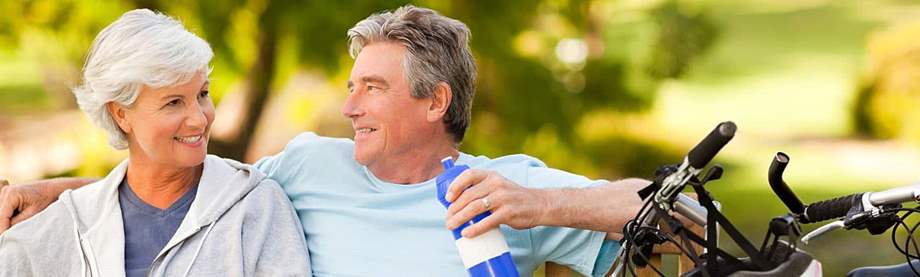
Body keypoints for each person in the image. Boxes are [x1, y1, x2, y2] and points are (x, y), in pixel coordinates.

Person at [0, 5, 646, 276]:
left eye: (371, 89)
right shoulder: (308, 167)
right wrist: (51, 191)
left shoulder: (508, 187)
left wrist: (543, 207)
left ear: (434, 101)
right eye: (351, 85)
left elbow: (680, 212)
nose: (347, 106)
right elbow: (184, 185)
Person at [0, 9, 310, 276]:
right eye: (174, 102)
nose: (199, 120)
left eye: (202, 94)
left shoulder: (256, 207)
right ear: (121, 114)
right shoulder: (64, 226)